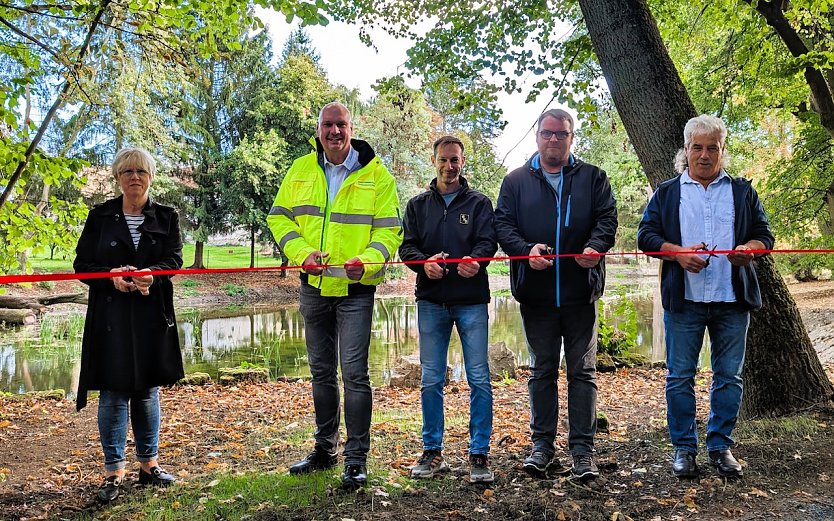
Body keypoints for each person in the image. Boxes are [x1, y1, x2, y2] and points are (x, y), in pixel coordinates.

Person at [267, 102, 403, 488]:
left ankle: (356, 459)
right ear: (319, 128)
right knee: (322, 373)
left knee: (355, 375)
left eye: (341, 124)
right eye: (328, 125)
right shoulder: (301, 168)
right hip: (313, 287)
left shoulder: (377, 175)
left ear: (351, 128)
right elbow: (279, 217)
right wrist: (301, 254)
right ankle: (325, 450)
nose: (334, 132)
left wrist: (370, 260)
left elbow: (390, 230)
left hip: (356, 288)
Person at [637, 115, 774, 479]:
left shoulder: (742, 191)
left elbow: (765, 236)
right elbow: (646, 237)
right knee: (680, 377)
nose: (704, 155)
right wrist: (677, 253)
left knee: (729, 376)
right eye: (697, 147)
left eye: (712, 147)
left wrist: (750, 249)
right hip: (685, 302)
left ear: (722, 151)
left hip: (732, 300)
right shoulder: (667, 192)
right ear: (685, 150)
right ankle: (684, 449)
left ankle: (720, 446)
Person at [495, 109, 617, 480]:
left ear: (571, 137)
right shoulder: (516, 181)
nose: (553, 140)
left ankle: (583, 450)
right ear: (537, 136)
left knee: (583, 372)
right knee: (542, 370)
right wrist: (524, 250)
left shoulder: (593, 177)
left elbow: (607, 219)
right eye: (547, 133)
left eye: (561, 134)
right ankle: (542, 446)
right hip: (537, 295)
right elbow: (503, 224)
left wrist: (595, 247)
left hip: (582, 294)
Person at [74, 147, 184, 502]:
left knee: (148, 390)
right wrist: (110, 278)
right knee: (113, 392)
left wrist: (153, 276)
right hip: (111, 316)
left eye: (140, 171)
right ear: (117, 177)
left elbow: (174, 261)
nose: (134, 177)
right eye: (127, 171)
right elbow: (82, 265)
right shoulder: (100, 216)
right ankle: (113, 471)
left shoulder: (167, 217)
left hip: (152, 314)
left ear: (150, 176)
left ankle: (149, 466)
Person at [399, 136, 497, 483]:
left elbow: (489, 242)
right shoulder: (417, 205)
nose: (449, 166)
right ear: (434, 160)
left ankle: (479, 453)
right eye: (443, 159)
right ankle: (432, 451)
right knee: (431, 378)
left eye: (455, 160)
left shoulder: (480, 203)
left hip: (471, 301)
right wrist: (423, 264)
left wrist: (477, 260)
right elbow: (406, 248)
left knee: (479, 377)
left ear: (463, 162)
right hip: (431, 302)